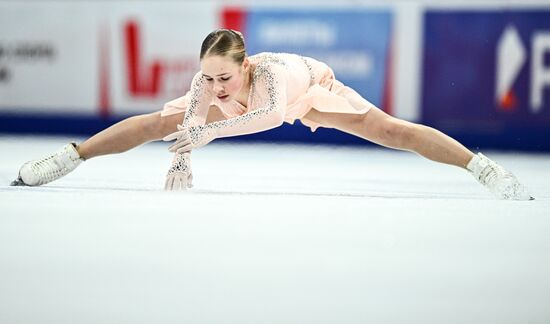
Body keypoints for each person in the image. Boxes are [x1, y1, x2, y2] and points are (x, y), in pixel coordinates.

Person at [11, 29, 532, 200]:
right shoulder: (208, 82)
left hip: (312, 88)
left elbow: (267, 119)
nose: (214, 86)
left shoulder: (271, 79)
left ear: (244, 66)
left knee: (389, 130)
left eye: (224, 78)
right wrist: (182, 161)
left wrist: (208, 130)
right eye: (208, 78)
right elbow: (191, 124)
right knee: (154, 123)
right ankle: (69, 156)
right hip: (263, 102)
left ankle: (481, 167)